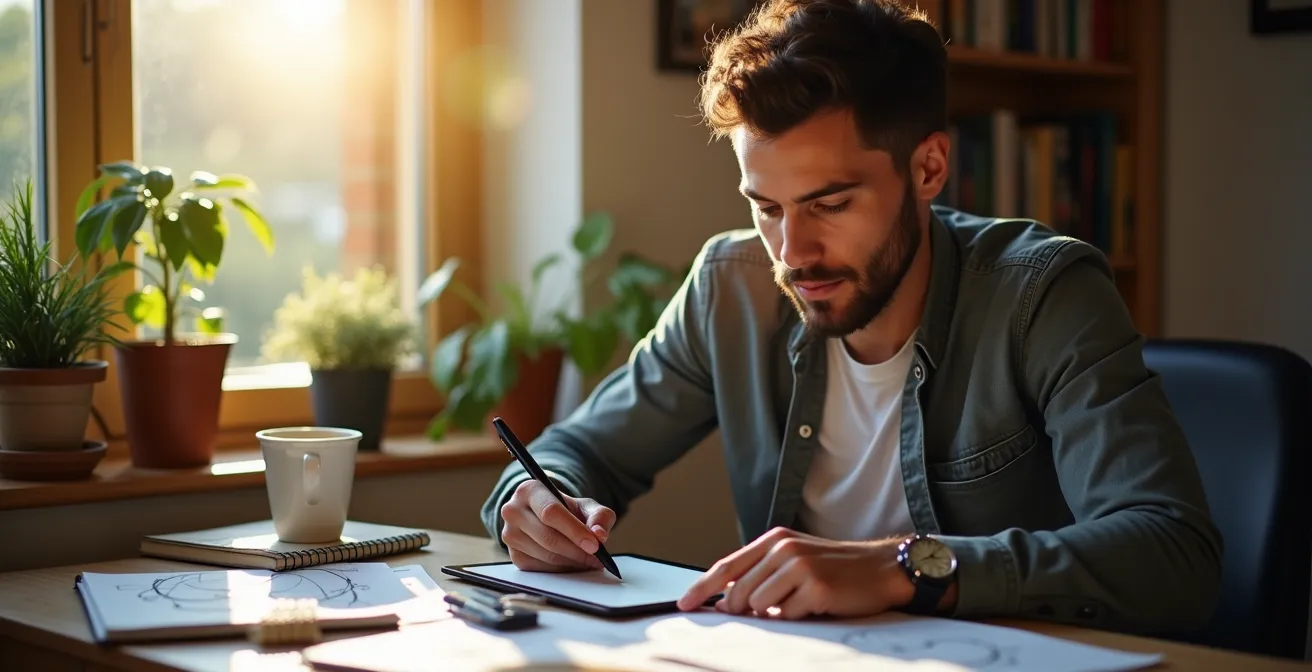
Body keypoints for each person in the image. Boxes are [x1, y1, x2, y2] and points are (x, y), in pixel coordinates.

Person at [481, 0, 1222, 634]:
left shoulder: (1043, 295)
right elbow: (578, 454)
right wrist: (535, 502)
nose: (793, 251)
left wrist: (906, 569)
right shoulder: (729, 290)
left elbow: (1172, 557)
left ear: (928, 168)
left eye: (830, 204)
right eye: (766, 207)